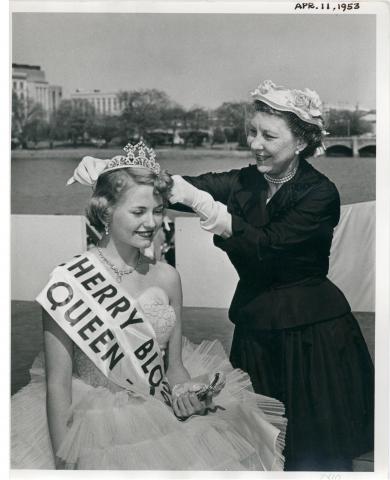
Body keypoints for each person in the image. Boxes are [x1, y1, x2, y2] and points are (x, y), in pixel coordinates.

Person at [11, 141, 286, 470]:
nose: (151, 222)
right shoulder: (68, 282)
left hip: (158, 415)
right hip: (89, 426)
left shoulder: (168, 277)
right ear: (106, 211)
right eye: (138, 211)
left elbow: (174, 368)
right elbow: (57, 384)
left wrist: (186, 392)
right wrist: (63, 463)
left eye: (158, 211)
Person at [166, 80, 374, 471]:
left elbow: (266, 246)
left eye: (268, 135)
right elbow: (182, 187)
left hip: (313, 340)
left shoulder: (320, 193)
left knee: (312, 456)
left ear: (300, 142)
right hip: (255, 332)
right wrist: (117, 171)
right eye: (252, 132)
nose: (255, 143)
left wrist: (209, 210)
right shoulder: (245, 180)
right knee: (255, 447)